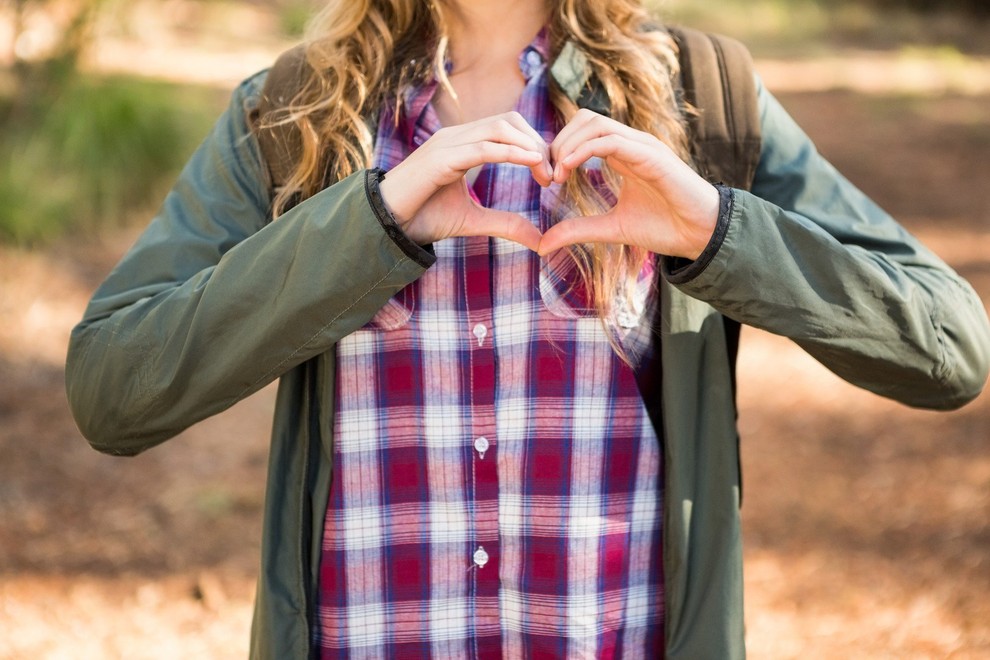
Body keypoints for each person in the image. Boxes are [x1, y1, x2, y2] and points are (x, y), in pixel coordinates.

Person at [65, 0, 990, 658]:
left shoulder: (700, 98)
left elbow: (948, 348)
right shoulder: (297, 114)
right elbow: (113, 384)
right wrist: (368, 229)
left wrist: (716, 233)